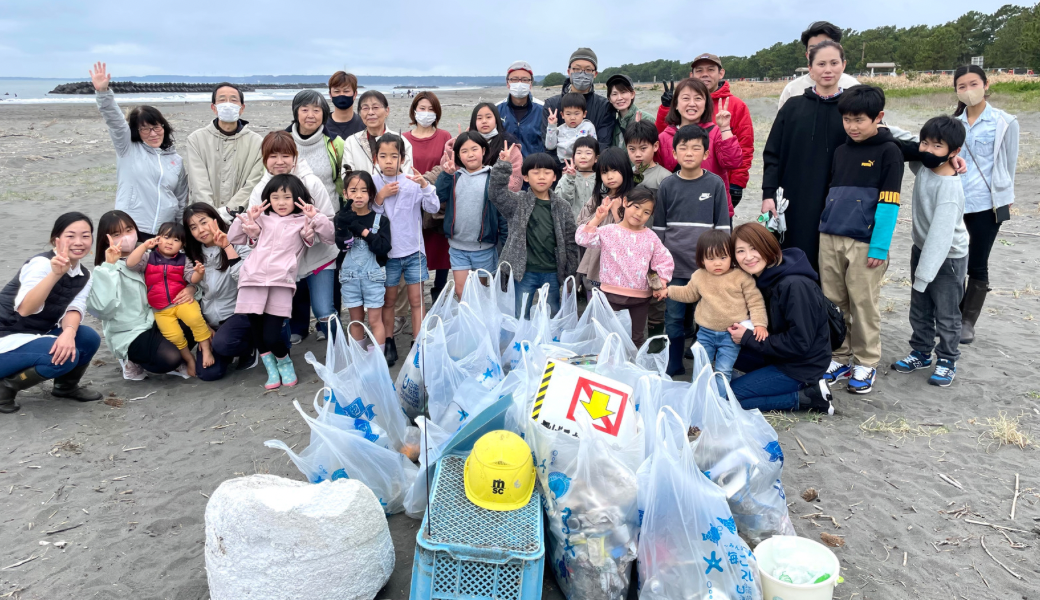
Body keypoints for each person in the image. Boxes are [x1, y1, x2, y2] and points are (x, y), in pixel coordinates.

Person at [816, 85, 904, 394]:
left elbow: (889, 203)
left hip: (865, 243)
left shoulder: (890, 152)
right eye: (847, 120)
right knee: (834, 301)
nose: (852, 126)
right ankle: (839, 357)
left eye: (859, 120)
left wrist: (879, 246)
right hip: (830, 237)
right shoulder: (841, 150)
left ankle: (866, 361)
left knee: (863, 303)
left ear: (878, 117)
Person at [229, 175, 334, 390]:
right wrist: (247, 222)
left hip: (281, 283)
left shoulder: (302, 220)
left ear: (297, 198)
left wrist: (317, 218)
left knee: (272, 334)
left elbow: (329, 237)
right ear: (268, 198)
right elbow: (234, 238)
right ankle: (271, 369)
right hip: (252, 280)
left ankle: (284, 362)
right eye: (276, 197)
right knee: (257, 331)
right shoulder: (262, 218)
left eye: (287, 197)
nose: (281, 202)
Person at [891, 116, 969, 387]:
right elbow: (902, 135)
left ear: (954, 152)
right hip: (922, 249)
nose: (927, 150)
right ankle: (921, 352)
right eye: (925, 143)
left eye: (938, 146)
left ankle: (947, 360)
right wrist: (879, 124)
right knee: (920, 307)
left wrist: (924, 275)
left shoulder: (949, 187)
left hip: (948, 257)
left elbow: (941, 237)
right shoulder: (923, 166)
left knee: (947, 313)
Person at [761, 40, 849, 275]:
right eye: (821, 64)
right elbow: (772, 154)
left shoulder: (854, 107)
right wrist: (768, 194)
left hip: (839, 199)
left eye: (834, 63)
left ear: (843, 65)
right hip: (794, 198)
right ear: (810, 69)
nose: (827, 69)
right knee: (794, 260)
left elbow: (881, 139)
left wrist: (936, 154)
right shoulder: (793, 107)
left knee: (833, 269)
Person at [727, 223, 833, 413]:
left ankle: (809, 398)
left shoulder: (795, 286)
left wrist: (748, 337)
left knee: (728, 399)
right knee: (722, 349)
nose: (748, 257)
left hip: (801, 365)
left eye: (754, 248)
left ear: (768, 246)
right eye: (740, 251)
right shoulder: (760, 278)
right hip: (778, 355)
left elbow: (800, 343)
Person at [0, 213, 101, 413]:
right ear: (57, 240)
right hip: (5, 337)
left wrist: (69, 333)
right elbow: (26, 308)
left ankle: (65, 387)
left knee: (87, 338)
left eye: (85, 236)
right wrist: (55, 274)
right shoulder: (42, 264)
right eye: (70, 236)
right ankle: (5, 388)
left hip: (32, 337)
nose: (79, 242)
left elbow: (75, 308)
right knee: (63, 355)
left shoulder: (84, 274)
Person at [248, 132, 339, 343]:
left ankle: (342, 348)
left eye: (285, 156)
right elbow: (257, 229)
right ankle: (285, 356)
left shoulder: (312, 183)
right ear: (264, 159)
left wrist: (312, 233)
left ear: (295, 156)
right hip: (283, 264)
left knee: (324, 310)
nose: (279, 162)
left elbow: (329, 219)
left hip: (319, 258)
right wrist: (253, 235)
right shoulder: (261, 189)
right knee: (281, 312)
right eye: (273, 156)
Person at [654, 126, 730, 375]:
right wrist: (657, 266)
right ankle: (674, 361)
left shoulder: (715, 183)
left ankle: (701, 361)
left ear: (706, 153)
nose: (689, 153)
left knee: (705, 316)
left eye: (696, 147)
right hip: (674, 267)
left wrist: (721, 265)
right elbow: (659, 229)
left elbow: (722, 227)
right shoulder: (667, 185)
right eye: (683, 148)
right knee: (674, 316)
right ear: (674, 153)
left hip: (705, 268)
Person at [953, 65, 1019, 345]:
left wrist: (1005, 200)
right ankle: (951, 315)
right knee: (954, 260)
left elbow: (1009, 164)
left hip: (988, 204)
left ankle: (967, 321)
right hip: (955, 201)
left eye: (973, 84)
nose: (969, 90)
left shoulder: (1005, 122)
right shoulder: (952, 122)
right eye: (962, 86)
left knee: (977, 262)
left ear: (986, 84)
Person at [88, 211, 193, 382]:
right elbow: (102, 310)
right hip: (130, 330)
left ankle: (163, 352)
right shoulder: (105, 270)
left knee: (195, 319)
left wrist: (192, 288)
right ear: (105, 239)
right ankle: (131, 359)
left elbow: (180, 277)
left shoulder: (151, 254)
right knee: (170, 357)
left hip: (157, 318)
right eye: (117, 234)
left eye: (129, 230)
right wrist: (109, 267)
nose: (126, 237)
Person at [90, 62, 188, 240]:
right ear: (137, 131)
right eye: (145, 129)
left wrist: (179, 229)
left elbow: (181, 200)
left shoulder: (176, 160)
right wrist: (103, 93)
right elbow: (115, 121)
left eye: (156, 127)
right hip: (131, 227)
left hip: (164, 232)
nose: (153, 133)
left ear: (164, 127)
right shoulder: (128, 148)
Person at [371, 135, 440, 365]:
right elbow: (370, 218)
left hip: (414, 251)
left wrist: (425, 185)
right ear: (375, 158)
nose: (389, 161)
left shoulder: (412, 181)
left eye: (394, 156)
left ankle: (418, 342)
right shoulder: (373, 182)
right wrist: (380, 197)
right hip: (388, 254)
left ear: (402, 158)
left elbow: (433, 206)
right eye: (383, 156)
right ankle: (388, 341)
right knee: (388, 300)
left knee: (417, 300)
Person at [665, 230, 768, 382]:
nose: (717, 262)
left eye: (723, 257)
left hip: (731, 335)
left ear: (731, 256)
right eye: (710, 258)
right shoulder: (699, 275)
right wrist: (667, 291)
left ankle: (719, 402)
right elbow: (688, 293)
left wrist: (760, 324)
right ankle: (699, 399)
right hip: (705, 333)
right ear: (702, 259)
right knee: (701, 369)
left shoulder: (741, 277)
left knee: (723, 371)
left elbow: (755, 302)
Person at [576, 188, 673, 348]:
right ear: (626, 202)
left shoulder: (651, 237)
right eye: (636, 207)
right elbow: (582, 238)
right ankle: (608, 368)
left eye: (646, 212)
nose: (639, 214)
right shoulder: (609, 231)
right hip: (610, 295)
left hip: (640, 298)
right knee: (609, 338)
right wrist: (597, 219)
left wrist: (661, 283)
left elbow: (663, 260)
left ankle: (630, 368)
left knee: (635, 339)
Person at [655, 54, 755, 208]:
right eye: (699, 70)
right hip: (677, 204)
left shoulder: (731, 112)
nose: (705, 74)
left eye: (711, 69)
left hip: (714, 199)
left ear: (721, 73)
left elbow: (742, 151)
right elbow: (657, 153)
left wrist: (737, 184)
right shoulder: (666, 135)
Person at [489, 149, 579, 319]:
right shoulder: (517, 202)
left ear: (555, 177)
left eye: (547, 172)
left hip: (552, 271)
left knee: (552, 314)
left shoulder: (562, 206)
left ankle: (550, 343)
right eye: (536, 173)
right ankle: (521, 344)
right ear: (526, 177)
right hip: (524, 272)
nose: (542, 177)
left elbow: (570, 242)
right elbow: (496, 194)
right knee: (521, 314)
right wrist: (503, 166)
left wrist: (569, 274)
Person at [125, 222, 214, 377]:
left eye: (176, 240)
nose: (170, 242)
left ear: (182, 244)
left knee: (195, 319)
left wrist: (199, 273)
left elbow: (191, 279)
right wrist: (144, 246)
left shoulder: (183, 260)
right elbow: (130, 263)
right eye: (166, 237)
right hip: (160, 309)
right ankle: (189, 359)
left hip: (181, 302)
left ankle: (206, 350)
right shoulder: (148, 257)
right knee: (174, 336)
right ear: (158, 238)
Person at [183, 203, 260, 382]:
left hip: (239, 313)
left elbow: (246, 279)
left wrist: (226, 247)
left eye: (204, 222)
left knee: (224, 344)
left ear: (216, 219)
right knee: (208, 374)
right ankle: (224, 345)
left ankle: (250, 346)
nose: (201, 230)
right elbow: (191, 287)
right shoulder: (191, 254)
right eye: (193, 227)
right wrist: (204, 326)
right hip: (211, 320)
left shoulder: (238, 240)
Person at [434, 131, 507, 299]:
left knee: (480, 291)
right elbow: (437, 198)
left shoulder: (492, 177)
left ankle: (480, 324)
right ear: (458, 155)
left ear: (483, 150)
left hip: (484, 248)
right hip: (458, 246)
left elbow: (502, 213)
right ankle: (468, 323)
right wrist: (446, 175)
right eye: (464, 151)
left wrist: (505, 242)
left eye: (474, 149)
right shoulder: (454, 177)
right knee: (462, 291)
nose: (470, 154)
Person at [657, 78, 742, 216]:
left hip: (714, 210)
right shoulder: (664, 138)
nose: (692, 103)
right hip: (676, 210)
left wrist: (725, 128)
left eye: (698, 98)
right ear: (676, 105)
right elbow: (651, 171)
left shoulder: (716, 132)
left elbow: (733, 162)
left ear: (706, 104)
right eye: (685, 98)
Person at [403, 92, 454, 305]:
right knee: (414, 248)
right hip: (410, 201)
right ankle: (418, 298)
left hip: (437, 199)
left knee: (441, 250)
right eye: (421, 108)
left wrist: (426, 182)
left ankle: (439, 291)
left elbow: (446, 166)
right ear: (414, 111)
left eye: (430, 109)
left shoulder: (444, 136)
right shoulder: (403, 137)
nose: (425, 113)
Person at [185, 83, 264, 213]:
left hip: (240, 218)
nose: (227, 104)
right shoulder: (196, 140)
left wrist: (228, 211)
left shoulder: (257, 142)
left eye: (233, 100)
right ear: (214, 107)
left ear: (242, 108)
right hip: (204, 218)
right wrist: (211, 214)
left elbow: (253, 183)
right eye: (222, 100)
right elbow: (199, 183)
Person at [335, 171, 392, 349]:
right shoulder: (341, 217)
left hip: (373, 277)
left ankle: (378, 361)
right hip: (350, 278)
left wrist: (361, 229)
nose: (358, 195)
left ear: (371, 194)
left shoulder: (380, 220)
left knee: (375, 320)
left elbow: (382, 248)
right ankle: (358, 360)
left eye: (364, 191)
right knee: (356, 320)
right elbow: (342, 245)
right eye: (353, 190)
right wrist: (343, 227)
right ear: (345, 193)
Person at [576, 148, 636, 298]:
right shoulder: (598, 199)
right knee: (595, 312)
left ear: (625, 169)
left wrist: (617, 214)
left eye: (614, 170)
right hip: (596, 264)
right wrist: (597, 218)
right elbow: (580, 226)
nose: (609, 176)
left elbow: (636, 237)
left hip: (622, 268)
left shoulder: (635, 199)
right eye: (604, 172)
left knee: (617, 314)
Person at [542, 48, 616, 156]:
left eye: (588, 70)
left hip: (591, 169)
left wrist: (585, 167)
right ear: (569, 72)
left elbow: (603, 145)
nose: (582, 73)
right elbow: (548, 146)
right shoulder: (551, 105)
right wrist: (565, 168)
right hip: (560, 169)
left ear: (595, 73)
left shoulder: (605, 107)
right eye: (577, 69)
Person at [777, 21, 860, 109]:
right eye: (814, 49)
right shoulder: (792, 90)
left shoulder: (854, 88)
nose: (820, 53)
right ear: (807, 55)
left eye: (826, 46)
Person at [287, 90, 344, 202]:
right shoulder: (282, 140)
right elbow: (269, 176)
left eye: (316, 110)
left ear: (324, 114)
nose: (311, 115)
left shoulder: (336, 143)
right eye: (304, 110)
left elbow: (343, 179)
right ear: (296, 112)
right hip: (289, 215)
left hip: (328, 213)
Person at [343, 90, 413, 176]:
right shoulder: (352, 141)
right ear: (360, 113)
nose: (371, 112)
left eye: (375, 107)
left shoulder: (401, 141)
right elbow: (347, 175)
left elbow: (407, 176)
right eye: (365, 108)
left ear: (387, 111)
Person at [466, 103, 523, 191]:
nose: (484, 121)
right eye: (479, 118)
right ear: (474, 122)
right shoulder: (467, 143)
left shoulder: (508, 144)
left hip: (500, 199)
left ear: (496, 119)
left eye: (488, 117)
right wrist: (455, 145)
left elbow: (515, 185)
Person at [498, 61, 545, 157]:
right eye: (514, 79)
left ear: (531, 84)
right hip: (505, 168)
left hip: (535, 168)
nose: (519, 83)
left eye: (524, 80)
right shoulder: (496, 110)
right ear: (508, 83)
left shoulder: (544, 109)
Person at [606, 74, 654, 149]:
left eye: (623, 92)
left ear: (632, 94)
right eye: (614, 94)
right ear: (609, 99)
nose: (619, 98)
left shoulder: (647, 119)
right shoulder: (614, 124)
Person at [545, 93, 596, 163]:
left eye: (577, 113)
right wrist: (552, 126)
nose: (572, 118)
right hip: (563, 164)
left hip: (583, 163)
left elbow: (594, 147)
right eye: (568, 114)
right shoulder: (559, 129)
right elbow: (550, 146)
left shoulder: (588, 126)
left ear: (584, 114)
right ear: (562, 115)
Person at [557, 136, 600, 218]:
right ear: (573, 157)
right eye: (579, 153)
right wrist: (570, 178)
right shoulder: (567, 177)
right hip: (571, 225)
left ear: (596, 158)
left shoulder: (600, 178)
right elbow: (560, 200)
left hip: (595, 225)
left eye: (588, 153)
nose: (583, 156)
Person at [625, 120, 670, 191]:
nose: (637, 154)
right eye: (632, 149)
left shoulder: (664, 178)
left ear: (655, 146)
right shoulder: (626, 175)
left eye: (643, 148)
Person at [325, 71, 365, 141]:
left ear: (355, 94)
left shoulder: (364, 124)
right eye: (337, 91)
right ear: (330, 95)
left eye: (346, 91)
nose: (341, 95)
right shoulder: (322, 125)